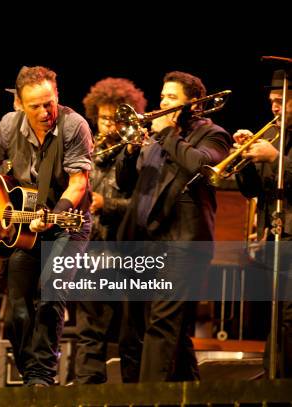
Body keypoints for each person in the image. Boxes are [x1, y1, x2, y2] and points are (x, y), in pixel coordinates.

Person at [0, 66, 93, 386]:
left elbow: (78, 184)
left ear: (57, 96)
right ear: (20, 105)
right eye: (36, 106)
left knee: (51, 296)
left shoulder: (74, 126)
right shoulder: (9, 125)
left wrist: (55, 213)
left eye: (49, 103)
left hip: (69, 221)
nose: (45, 112)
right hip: (23, 224)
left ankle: (41, 376)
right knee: (17, 310)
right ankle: (31, 372)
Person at [116, 71, 232, 381]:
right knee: (152, 332)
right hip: (147, 242)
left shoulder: (214, 134)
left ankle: (146, 400)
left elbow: (202, 166)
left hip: (183, 244)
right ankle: (189, 394)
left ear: (193, 103)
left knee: (162, 326)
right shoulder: (155, 138)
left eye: (171, 98)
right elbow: (126, 183)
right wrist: (129, 152)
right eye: (162, 96)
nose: (162, 102)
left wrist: (168, 134)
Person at [73, 77, 147, 384]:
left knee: (132, 331)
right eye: (103, 118)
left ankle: (134, 394)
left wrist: (107, 205)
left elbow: (145, 205)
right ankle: (85, 392)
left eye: (114, 119)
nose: (107, 126)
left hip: (127, 250)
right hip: (93, 249)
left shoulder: (138, 152)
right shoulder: (87, 152)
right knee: (89, 329)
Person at [233, 68, 292, 378]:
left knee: (289, 317)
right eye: (272, 101)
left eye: (282, 100)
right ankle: (274, 376)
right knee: (277, 314)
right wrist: (243, 160)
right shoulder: (274, 136)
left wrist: (275, 158)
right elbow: (253, 191)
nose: (275, 108)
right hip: (277, 238)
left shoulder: (276, 146)